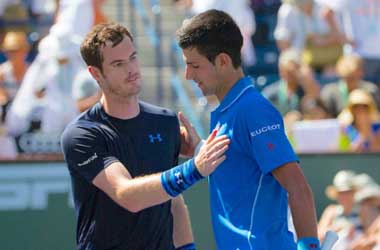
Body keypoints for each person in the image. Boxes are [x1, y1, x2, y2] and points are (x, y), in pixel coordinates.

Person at [61, 22, 230, 250]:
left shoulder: (166, 122)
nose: (131, 69)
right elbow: (127, 195)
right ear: (96, 73)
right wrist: (195, 169)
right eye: (118, 64)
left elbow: (173, 201)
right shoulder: (82, 134)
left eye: (133, 57)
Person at [177, 9, 320, 250]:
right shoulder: (230, 109)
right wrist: (200, 148)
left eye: (195, 65)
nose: (188, 75)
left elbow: (298, 188)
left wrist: (310, 247)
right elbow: (241, 169)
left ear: (223, 61)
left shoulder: (252, 109)